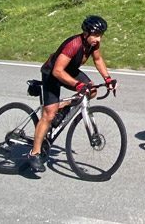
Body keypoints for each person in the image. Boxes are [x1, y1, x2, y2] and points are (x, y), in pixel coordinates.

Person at [27, 15, 116, 173]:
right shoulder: (73, 45)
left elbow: (98, 60)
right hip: (52, 73)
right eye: (95, 35)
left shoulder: (92, 44)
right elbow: (57, 71)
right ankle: (34, 153)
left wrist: (107, 78)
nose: (98, 39)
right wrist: (77, 84)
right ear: (86, 33)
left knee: (92, 90)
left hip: (70, 71)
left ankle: (63, 106)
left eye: (100, 36)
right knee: (49, 114)